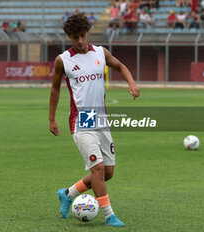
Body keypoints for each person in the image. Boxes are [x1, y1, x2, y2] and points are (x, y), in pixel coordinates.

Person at [49, 13, 140, 227]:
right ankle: (109, 215)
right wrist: (52, 119)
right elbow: (54, 89)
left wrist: (131, 83)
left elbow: (120, 66)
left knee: (107, 173)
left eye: (82, 36)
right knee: (97, 169)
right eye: (74, 37)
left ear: (88, 33)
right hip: (81, 120)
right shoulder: (63, 60)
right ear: (69, 37)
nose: (79, 41)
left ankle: (67, 193)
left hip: (100, 118)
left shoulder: (101, 52)